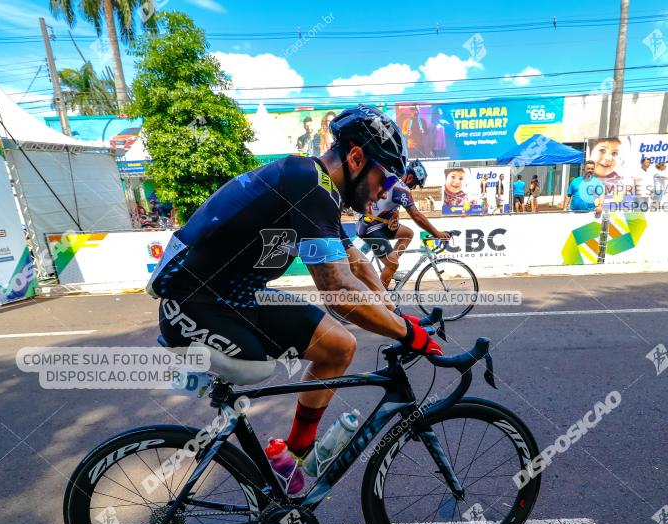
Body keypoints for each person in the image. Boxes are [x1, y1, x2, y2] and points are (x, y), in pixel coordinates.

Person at [148, 106, 442, 485]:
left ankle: (293, 460)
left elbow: (358, 267)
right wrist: (408, 334)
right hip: (193, 304)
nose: (384, 194)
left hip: (238, 297)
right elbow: (338, 292)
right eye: (384, 180)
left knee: (339, 347)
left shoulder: (321, 193)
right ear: (356, 157)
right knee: (258, 369)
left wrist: (398, 314)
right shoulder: (307, 182)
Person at [357, 160, 451, 288]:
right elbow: (416, 216)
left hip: (374, 224)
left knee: (408, 234)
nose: (414, 188)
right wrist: (437, 233)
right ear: (410, 177)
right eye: (415, 184)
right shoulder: (401, 188)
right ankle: (380, 301)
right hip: (370, 228)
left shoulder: (394, 180)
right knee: (393, 264)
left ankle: (388, 271)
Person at [588, 137, 624, 207]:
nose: (608, 158)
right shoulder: (583, 181)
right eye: (602, 150)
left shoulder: (620, 183)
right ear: (590, 152)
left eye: (614, 153)